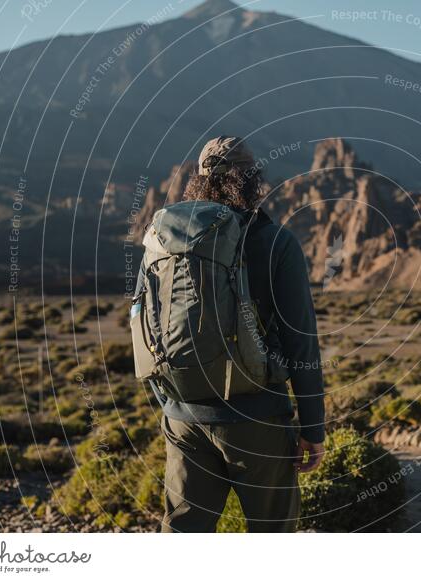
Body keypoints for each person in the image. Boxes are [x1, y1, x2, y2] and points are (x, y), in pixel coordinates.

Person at [134, 136, 325, 533]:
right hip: (258, 418)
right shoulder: (275, 242)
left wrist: (171, 396)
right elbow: (301, 339)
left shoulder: (164, 240)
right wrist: (313, 429)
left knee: (185, 535)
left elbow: (141, 321)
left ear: (198, 180)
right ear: (252, 179)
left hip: (184, 415)